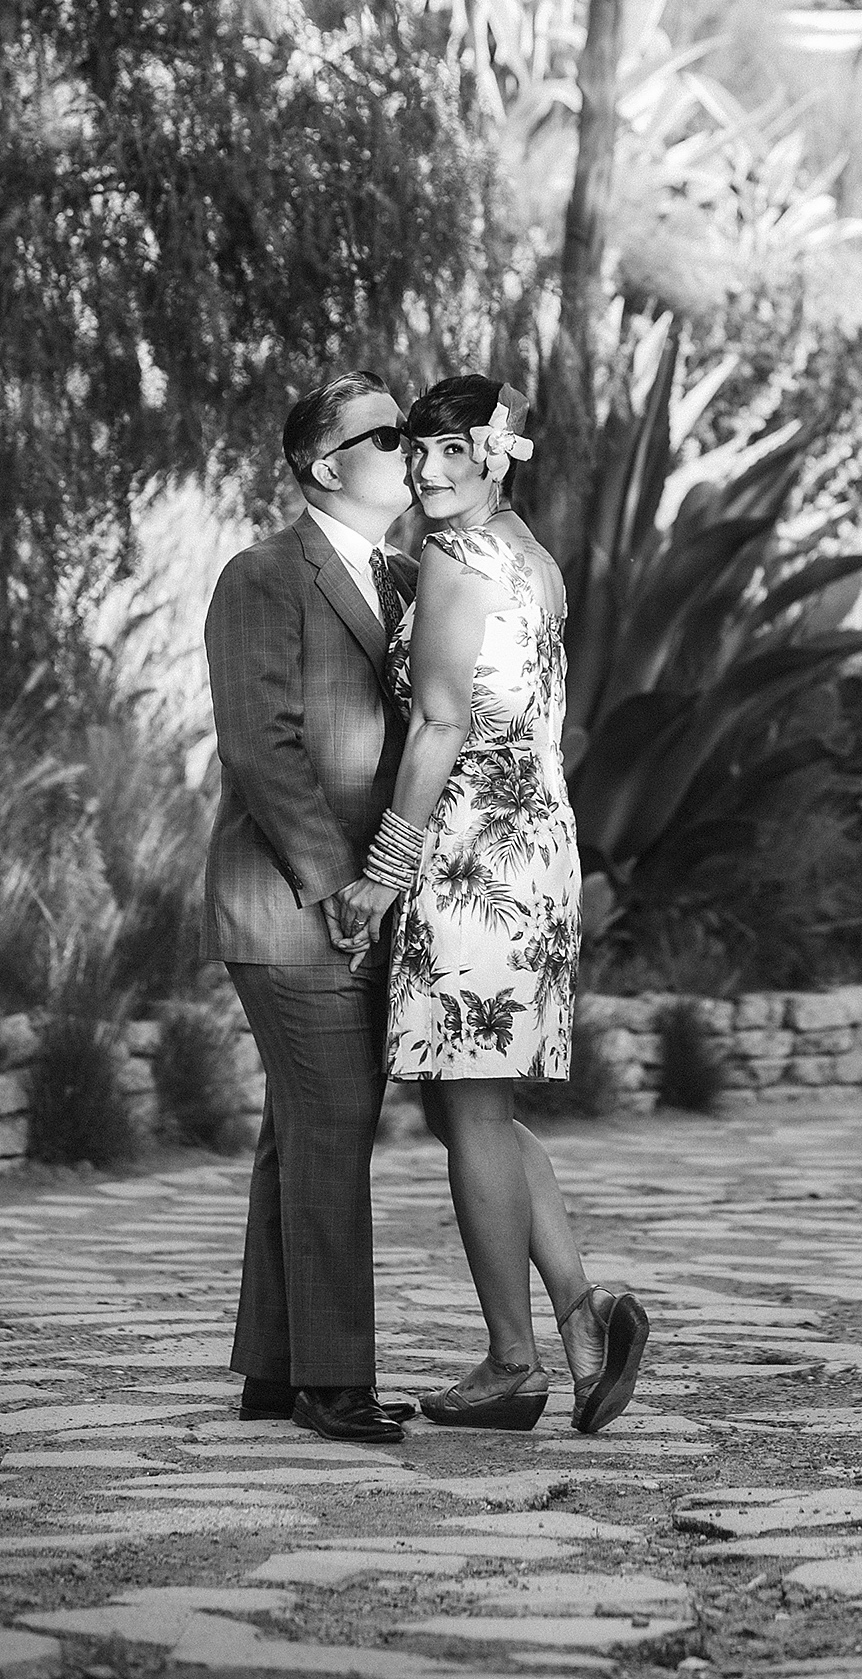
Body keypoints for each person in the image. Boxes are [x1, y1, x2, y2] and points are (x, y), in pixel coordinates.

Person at [346, 371, 647, 1433]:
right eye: (415, 452)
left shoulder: (454, 559)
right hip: (536, 844)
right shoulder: (534, 562)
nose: (428, 472)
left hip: (471, 853)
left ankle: (513, 1363)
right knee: (475, 1101)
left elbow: (436, 725)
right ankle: (581, 1313)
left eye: (452, 453)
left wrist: (385, 869)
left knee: (466, 1105)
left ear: (496, 455)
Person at [203, 372, 421, 1446]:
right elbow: (261, 744)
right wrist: (334, 883)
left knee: (300, 1133)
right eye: (386, 434)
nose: (409, 445)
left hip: (358, 905)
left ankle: (273, 1369)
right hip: (290, 904)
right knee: (334, 1125)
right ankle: (335, 1382)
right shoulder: (262, 575)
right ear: (328, 466)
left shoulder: (409, 577)